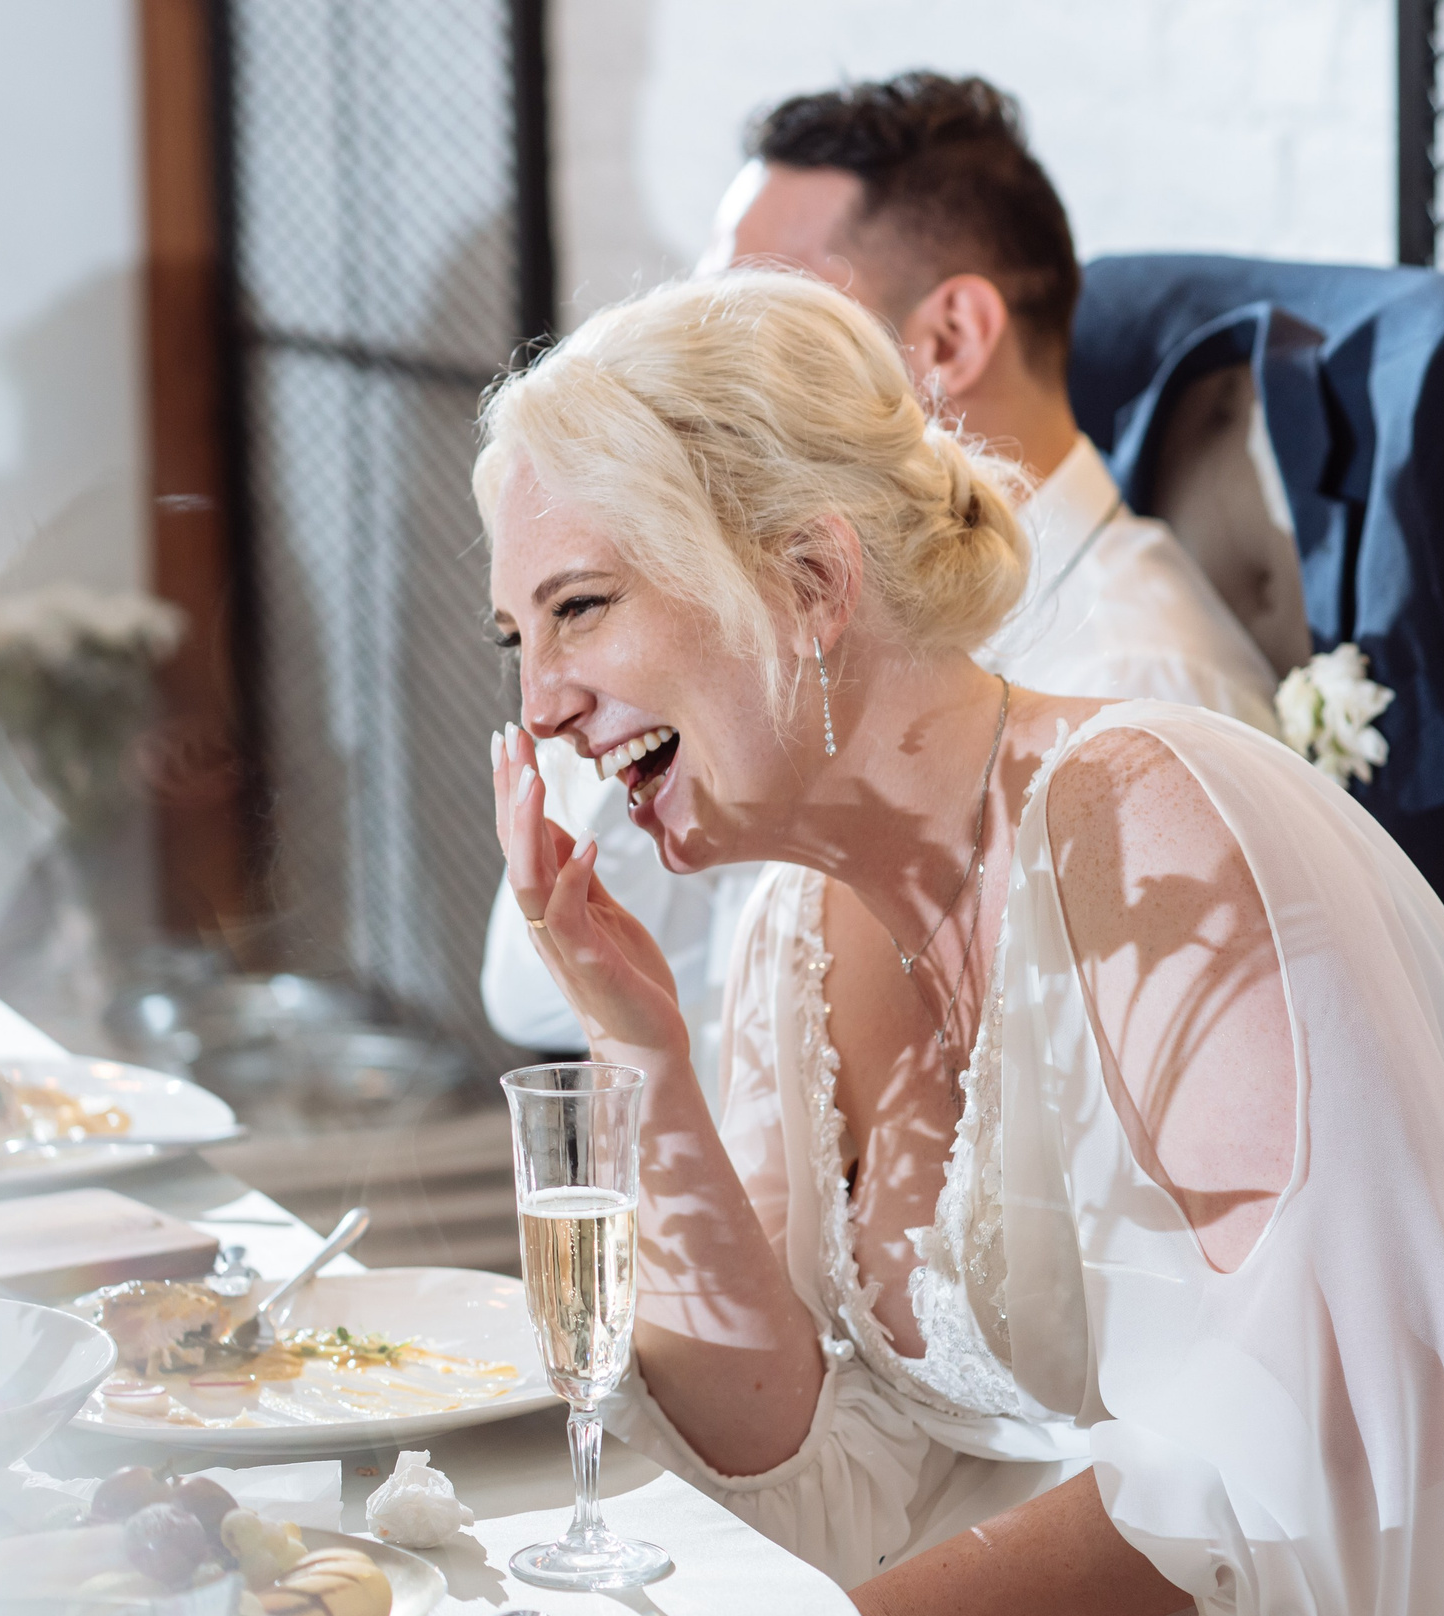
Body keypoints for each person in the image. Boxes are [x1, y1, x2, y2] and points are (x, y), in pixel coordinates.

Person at [481, 267, 1444, 1616]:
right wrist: (637, 1045)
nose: (542, 707)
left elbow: (1280, 1431)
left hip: (1426, 1576)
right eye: (522, 639)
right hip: (1131, 1585)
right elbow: (821, 1471)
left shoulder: (1152, 822)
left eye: (581, 606)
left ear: (811, 583)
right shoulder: (789, 930)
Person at [481, 73, 1278, 1085]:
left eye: (755, 308)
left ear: (947, 339)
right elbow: (529, 991)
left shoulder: (1140, 692)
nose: (688, 369)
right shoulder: (744, 636)